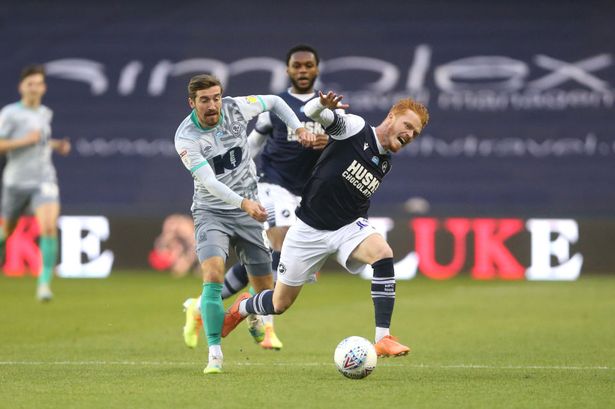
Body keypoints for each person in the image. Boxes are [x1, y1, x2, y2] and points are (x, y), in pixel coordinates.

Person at [222, 90, 429, 358]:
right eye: (407, 125)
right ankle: (242, 308)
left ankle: (383, 338)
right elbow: (311, 112)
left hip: (347, 227)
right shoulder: (355, 128)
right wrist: (322, 105)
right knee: (279, 303)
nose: (410, 134)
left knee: (383, 254)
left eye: (415, 133)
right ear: (391, 117)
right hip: (308, 230)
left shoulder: (385, 161)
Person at [182, 44, 331, 351]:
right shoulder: (277, 108)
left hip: (304, 192)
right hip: (271, 185)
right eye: (297, 66)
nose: (303, 71)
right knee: (282, 245)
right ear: (288, 70)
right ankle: (267, 327)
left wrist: (327, 140)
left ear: (317, 68)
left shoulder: (328, 109)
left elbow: (343, 144)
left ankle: (202, 306)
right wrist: (239, 179)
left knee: (265, 262)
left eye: (308, 65)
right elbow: (252, 142)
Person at [0, 64, 71, 302]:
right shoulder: (10, 114)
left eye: (38, 84)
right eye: (30, 84)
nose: (34, 88)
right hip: (16, 181)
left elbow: (39, 141)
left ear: (44, 88)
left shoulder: (45, 113)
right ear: (21, 87)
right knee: (7, 231)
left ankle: (44, 284)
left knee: (48, 227)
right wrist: (24, 141)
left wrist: (56, 145)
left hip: (44, 178)